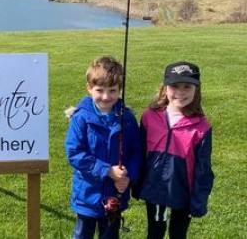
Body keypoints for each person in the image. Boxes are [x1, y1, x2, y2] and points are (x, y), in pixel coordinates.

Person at [135, 61, 214, 239]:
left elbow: (204, 169)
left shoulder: (202, 128)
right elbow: (139, 153)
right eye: (174, 86)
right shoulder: (149, 117)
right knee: (155, 232)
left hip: (183, 192)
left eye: (187, 86)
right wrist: (136, 183)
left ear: (197, 90)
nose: (180, 92)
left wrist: (198, 200)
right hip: (155, 189)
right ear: (164, 88)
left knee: (178, 233)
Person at [65, 56, 141, 239]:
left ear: (119, 90)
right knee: (83, 234)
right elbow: (74, 153)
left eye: (112, 90)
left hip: (115, 194)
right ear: (89, 89)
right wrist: (107, 171)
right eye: (99, 90)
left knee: (110, 234)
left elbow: (137, 152)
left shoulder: (128, 118)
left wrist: (127, 176)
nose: (106, 97)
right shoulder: (80, 117)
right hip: (87, 194)